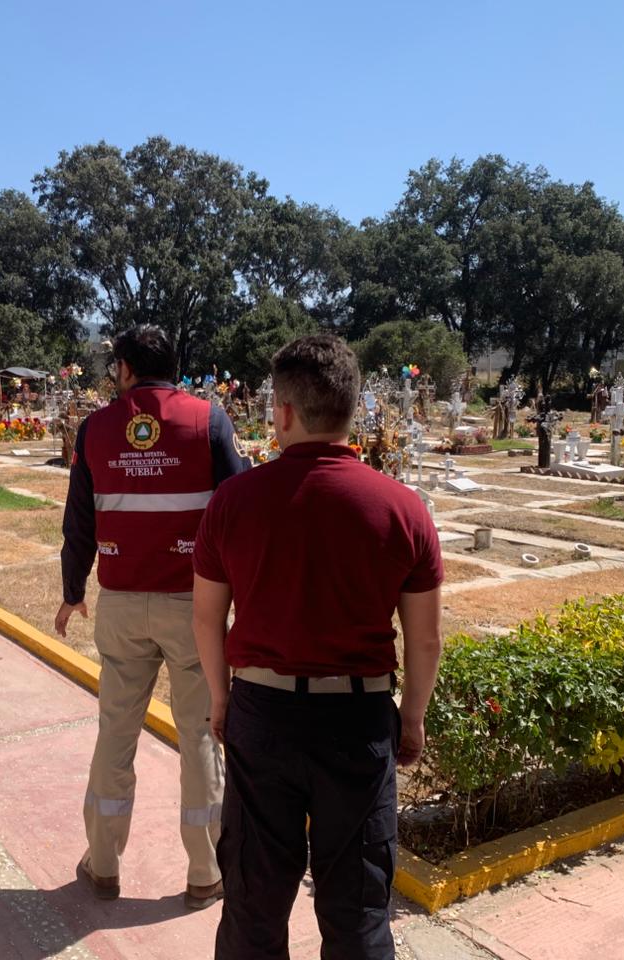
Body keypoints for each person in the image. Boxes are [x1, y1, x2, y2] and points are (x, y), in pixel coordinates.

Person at [192, 334, 444, 959]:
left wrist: (221, 700)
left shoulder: (233, 501)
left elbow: (206, 617)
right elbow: (425, 637)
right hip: (359, 721)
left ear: (282, 412)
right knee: (357, 912)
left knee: (253, 904)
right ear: (352, 410)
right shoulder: (402, 508)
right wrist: (411, 719)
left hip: (263, 715)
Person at [56, 324, 250, 909]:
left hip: (120, 601)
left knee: (116, 732)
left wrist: (72, 589)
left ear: (124, 368)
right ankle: (205, 870)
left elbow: (78, 520)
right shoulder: (208, 420)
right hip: (194, 605)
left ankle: (104, 863)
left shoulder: (96, 428)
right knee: (201, 735)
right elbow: (240, 504)